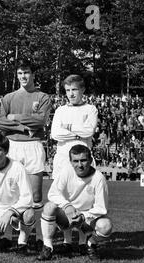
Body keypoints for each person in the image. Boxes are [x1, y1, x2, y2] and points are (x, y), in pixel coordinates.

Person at [0, 59, 52, 251]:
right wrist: (22, 126)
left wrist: (16, 117)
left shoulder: (43, 96)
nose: (23, 76)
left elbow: (41, 120)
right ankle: (12, 235)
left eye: (27, 73)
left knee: (35, 194)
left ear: (33, 74)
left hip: (34, 146)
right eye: (20, 73)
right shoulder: (9, 97)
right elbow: (1, 123)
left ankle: (33, 235)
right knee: (13, 192)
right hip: (13, 146)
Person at [38, 144, 113, 261]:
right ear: (71, 162)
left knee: (106, 226)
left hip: (87, 219)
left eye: (83, 160)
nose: (80, 165)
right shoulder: (66, 172)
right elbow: (52, 194)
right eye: (76, 161)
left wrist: (83, 216)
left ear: (90, 160)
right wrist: (67, 206)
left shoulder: (99, 178)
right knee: (49, 207)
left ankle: (91, 244)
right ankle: (48, 247)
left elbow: (101, 208)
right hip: (66, 216)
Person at [50, 74, 98, 253]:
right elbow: (55, 134)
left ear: (82, 90)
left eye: (74, 90)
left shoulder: (91, 109)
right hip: (63, 158)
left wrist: (69, 129)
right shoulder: (61, 110)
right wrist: (77, 133)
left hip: (82, 158)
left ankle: (83, 241)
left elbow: (89, 131)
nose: (70, 94)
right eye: (68, 90)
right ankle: (67, 240)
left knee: (84, 198)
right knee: (63, 199)